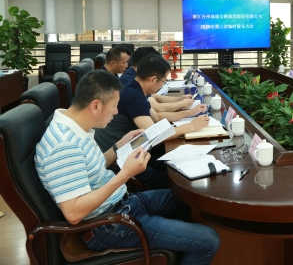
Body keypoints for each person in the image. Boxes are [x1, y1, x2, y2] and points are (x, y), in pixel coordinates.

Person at [34, 70, 219, 264]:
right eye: (114, 106)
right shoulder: (64, 146)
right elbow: (74, 213)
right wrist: (125, 174)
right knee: (208, 240)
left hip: (123, 204)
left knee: (191, 200)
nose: (116, 112)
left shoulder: (75, 127)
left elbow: (92, 169)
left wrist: (119, 146)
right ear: (95, 106)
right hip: (108, 226)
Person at [95, 55, 209, 188]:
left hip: (133, 150)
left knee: (178, 165)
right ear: (153, 79)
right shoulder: (133, 96)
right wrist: (190, 126)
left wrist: (190, 113)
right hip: (120, 161)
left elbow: (157, 117)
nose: (163, 85)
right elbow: (154, 135)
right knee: (177, 179)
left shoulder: (136, 88)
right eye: (163, 81)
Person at [120, 46, 201, 122]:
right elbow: (157, 109)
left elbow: (154, 103)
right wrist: (182, 105)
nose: (162, 85)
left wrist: (180, 99)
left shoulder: (137, 81)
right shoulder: (130, 84)